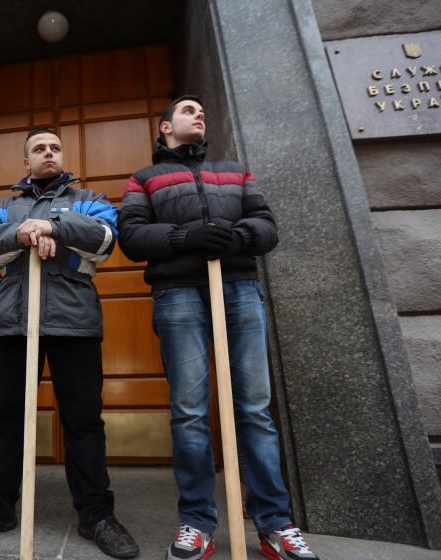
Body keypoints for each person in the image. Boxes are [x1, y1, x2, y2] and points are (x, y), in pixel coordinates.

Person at [118, 95, 319, 560]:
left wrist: (239, 237)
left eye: (201, 111)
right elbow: (131, 235)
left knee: (254, 408)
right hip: (178, 293)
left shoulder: (235, 171)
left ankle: (275, 524)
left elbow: (266, 224)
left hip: (239, 289)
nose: (199, 114)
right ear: (165, 127)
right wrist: (184, 237)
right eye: (188, 111)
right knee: (189, 410)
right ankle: (196, 522)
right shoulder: (144, 178)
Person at [0, 129, 140, 559]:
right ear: (26, 162)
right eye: (39, 149)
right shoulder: (3, 206)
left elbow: (105, 239)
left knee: (84, 421)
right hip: (15, 323)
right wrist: (22, 233)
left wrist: (52, 224)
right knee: (7, 419)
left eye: (54, 148)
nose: (48, 153)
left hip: (75, 322)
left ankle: (96, 515)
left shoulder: (88, 197)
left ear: (63, 157)